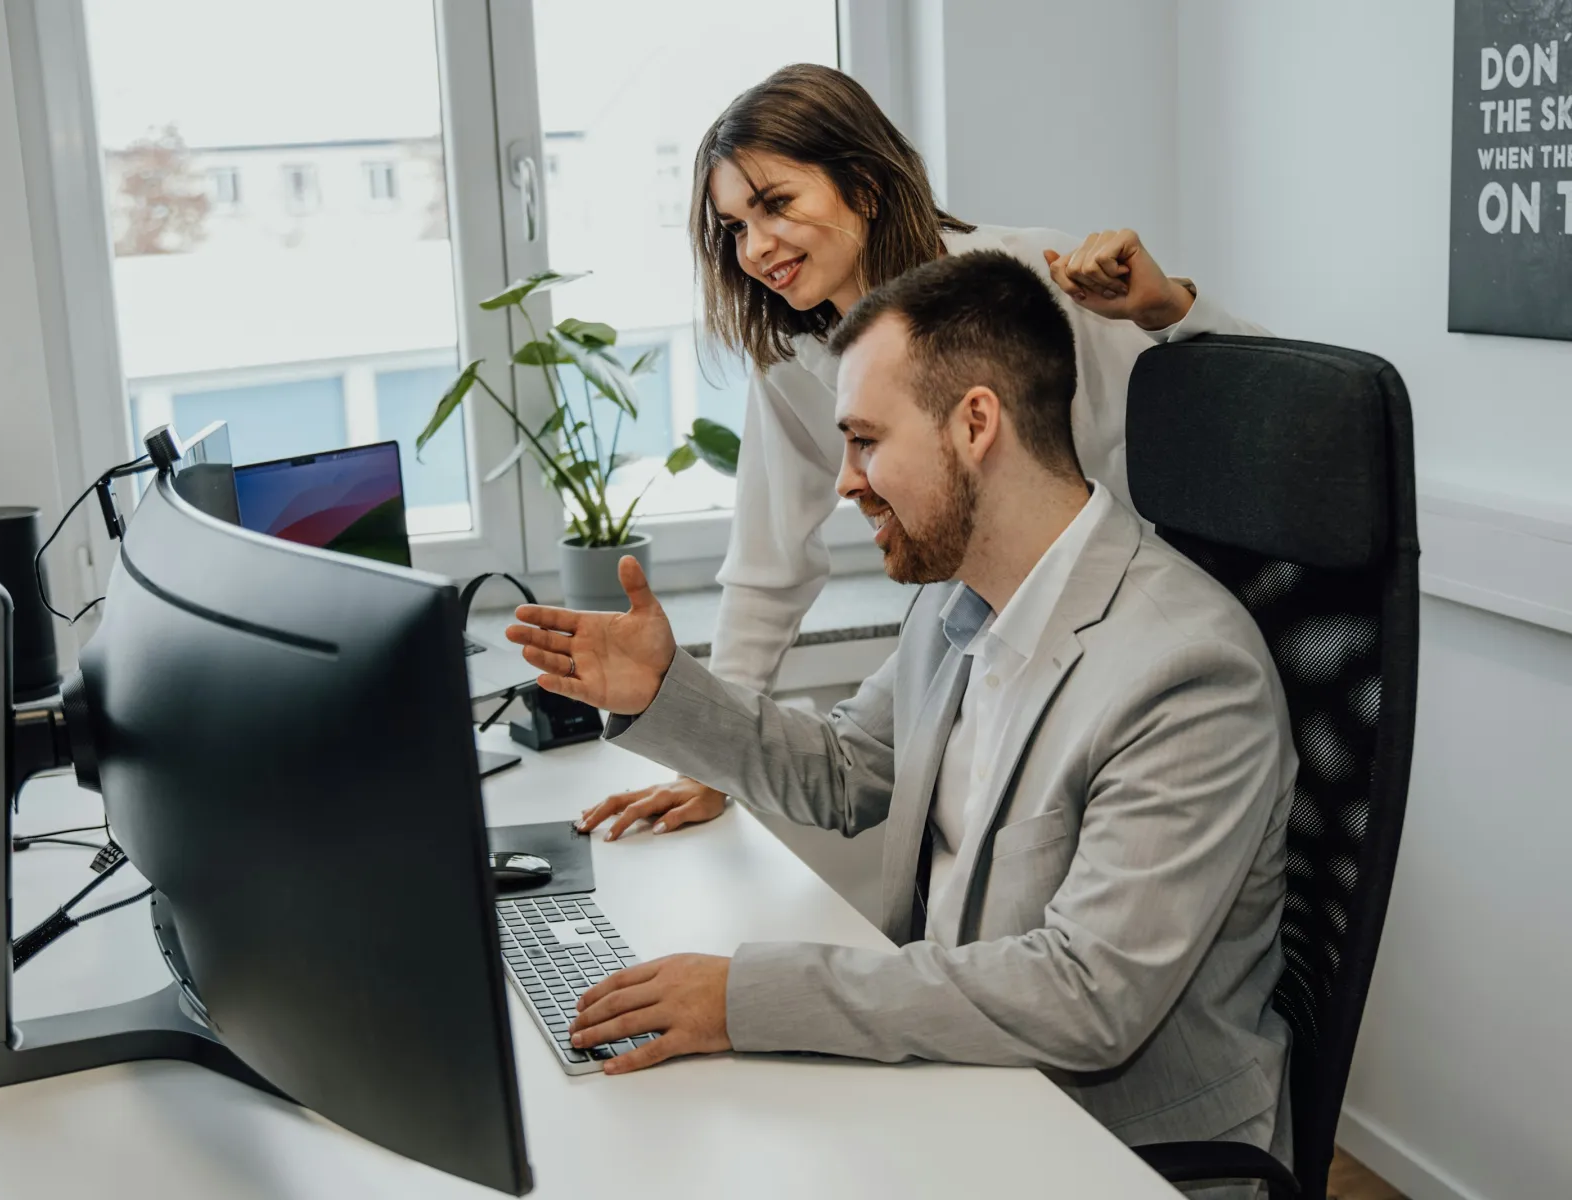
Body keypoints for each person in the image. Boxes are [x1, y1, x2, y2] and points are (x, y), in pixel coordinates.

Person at [506, 251, 1297, 1187]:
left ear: (975, 424)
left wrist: (743, 997)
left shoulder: (1184, 672)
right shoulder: (959, 600)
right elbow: (846, 770)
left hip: (1106, 1149)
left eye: (866, 440)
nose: (845, 481)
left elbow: (1087, 998)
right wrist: (661, 692)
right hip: (959, 1082)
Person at [579, 63, 1270, 840]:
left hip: (1124, 636)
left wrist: (1161, 307)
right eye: (736, 225)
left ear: (865, 188)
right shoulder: (793, 355)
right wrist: (706, 765)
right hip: (981, 621)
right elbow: (770, 563)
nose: (756, 246)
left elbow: (1259, 421)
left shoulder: (1025, 282)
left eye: (776, 204)